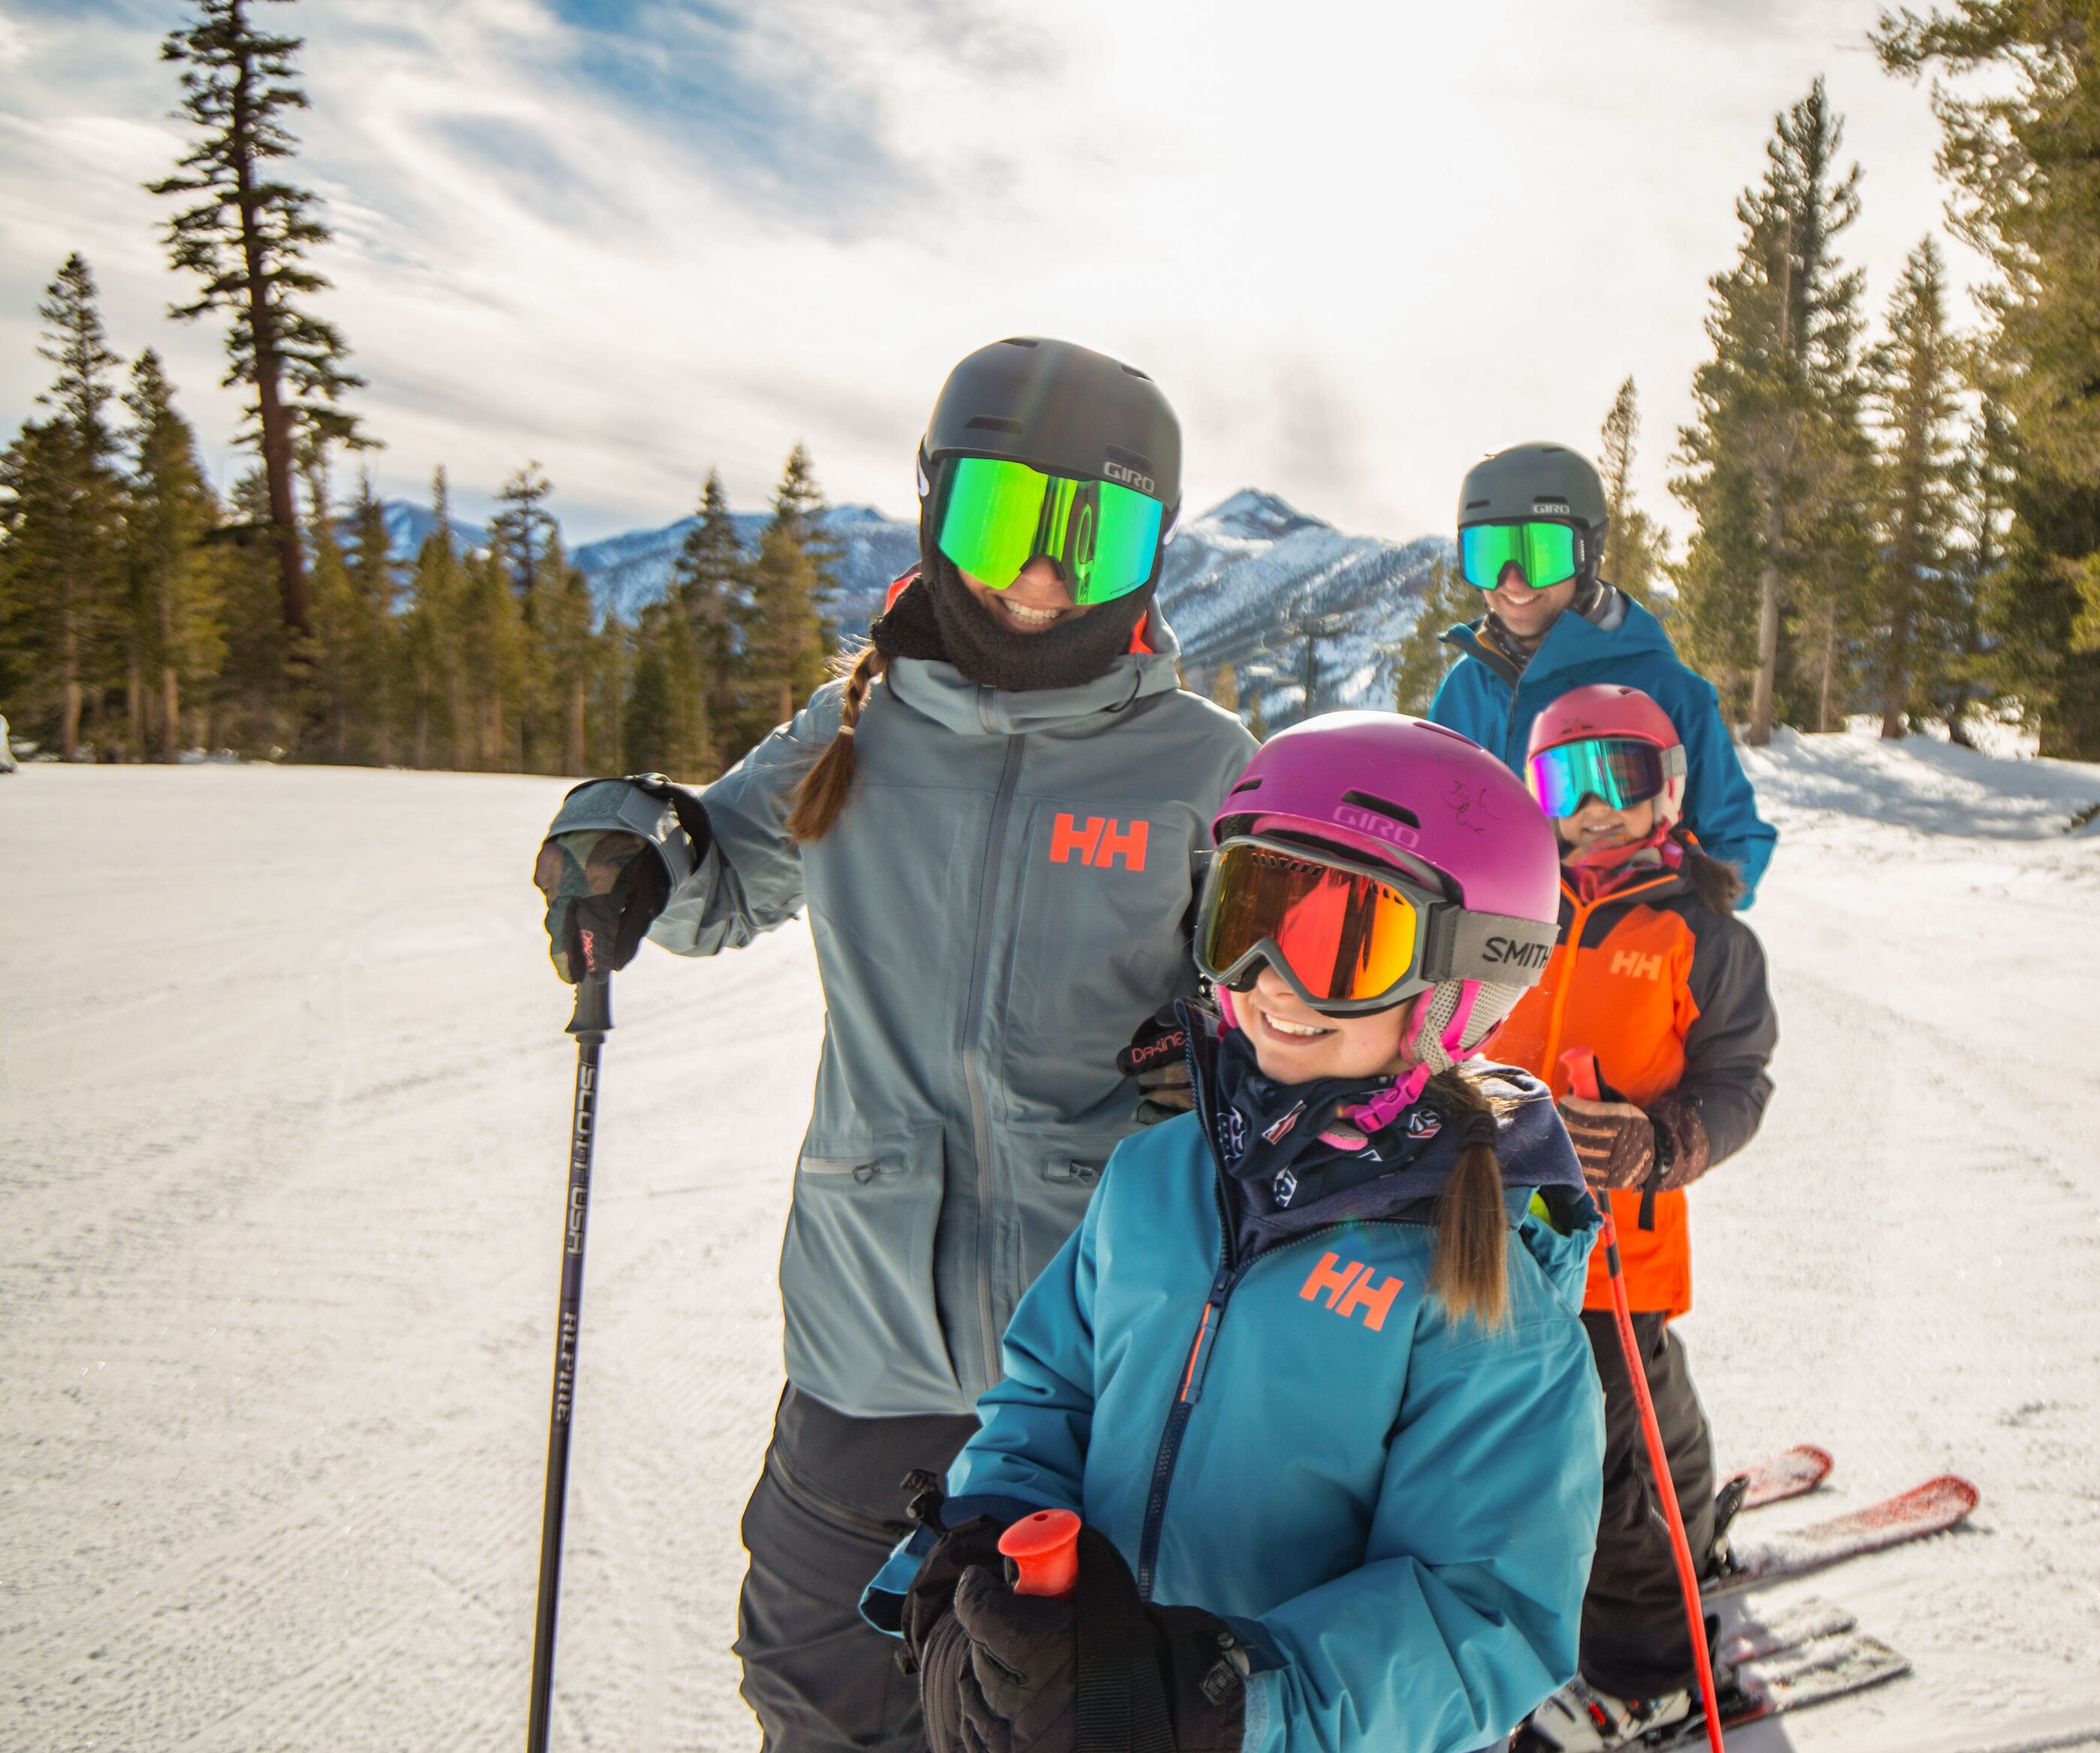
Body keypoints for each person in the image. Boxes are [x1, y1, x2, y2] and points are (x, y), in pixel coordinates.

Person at [527, 337, 1257, 1753]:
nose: (1041, 576)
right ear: (934, 503)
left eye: (1094, 537)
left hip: (1102, 1352)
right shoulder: (856, 727)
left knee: (1067, 1713)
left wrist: (1216, 1058)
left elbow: (1283, 1004)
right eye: (1002, 517)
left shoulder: (1203, 765)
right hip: (862, 1346)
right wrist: (626, 839)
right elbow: (713, 878)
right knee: (823, 1698)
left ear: (1154, 552)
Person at [863, 712, 1609, 1753]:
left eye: (1343, 940)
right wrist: (978, 1547)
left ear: (1462, 977)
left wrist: (1222, 1702)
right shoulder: (1156, 1175)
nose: (1268, 976)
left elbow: (1485, 1617)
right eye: (1248, 914)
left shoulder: (1478, 1281)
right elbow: (1050, 1394)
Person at [1483, 685, 1778, 1753]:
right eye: (1567, 781)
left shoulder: (1699, 932)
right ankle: (1683, 1543)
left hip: (1615, 1238)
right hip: (1500, 1223)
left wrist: (1661, 1144)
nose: (1594, 807)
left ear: (1669, 787)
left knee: (1609, 1447)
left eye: (1622, 776)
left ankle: (1651, 1672)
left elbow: (1738, 1081)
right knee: (1636, 1401)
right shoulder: (1515, 908)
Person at [1427, 442, 1777, 899]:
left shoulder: (1665, 690)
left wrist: (1651, 904)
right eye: (1488, 554)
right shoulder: (1467, 684)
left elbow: (1735, 848)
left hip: (1622, 938)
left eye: (1541, 553)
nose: (1512, 580)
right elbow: (1431, 824)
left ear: (1587, 552)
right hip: (1492, 937)